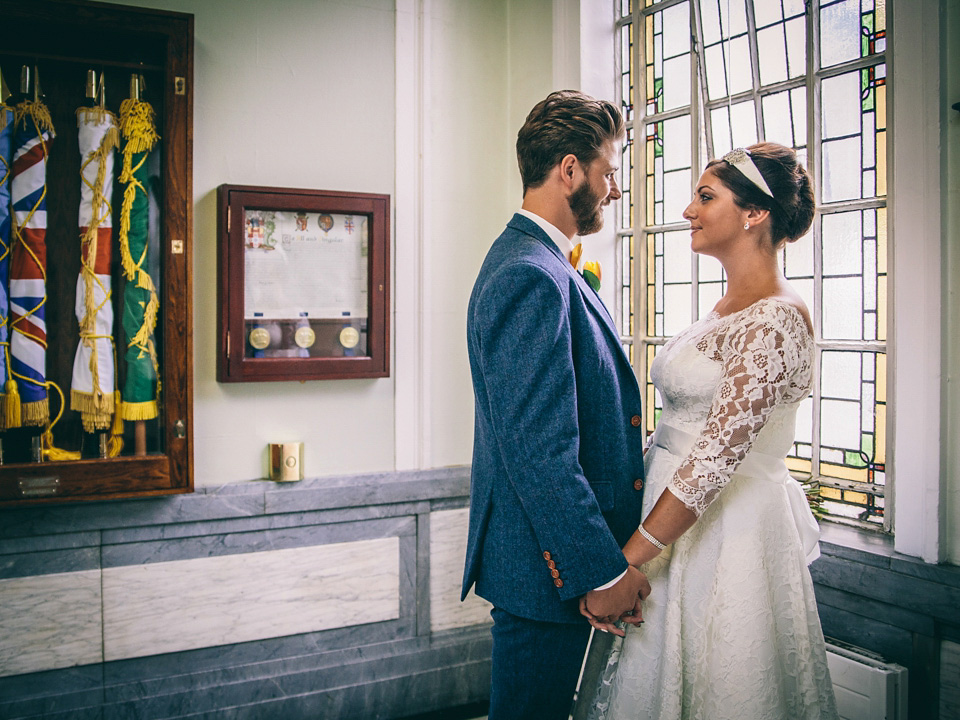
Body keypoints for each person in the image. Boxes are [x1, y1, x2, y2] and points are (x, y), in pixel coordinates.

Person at [577, 142, 839, 719]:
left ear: (754, 213)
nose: (688, 211)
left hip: (726, 534)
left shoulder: (775, 319)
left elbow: (713, 461)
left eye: (704, 196)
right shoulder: (723, 308)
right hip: (669, 527)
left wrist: (624, 564)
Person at [462, 90, 651, 720]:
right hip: (548, 576)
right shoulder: (530, 274)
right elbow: (541, 451)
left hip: (551, 567)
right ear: (569, 169)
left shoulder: (544, 264)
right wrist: (600, 573)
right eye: (610, 169)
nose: (615, 190)